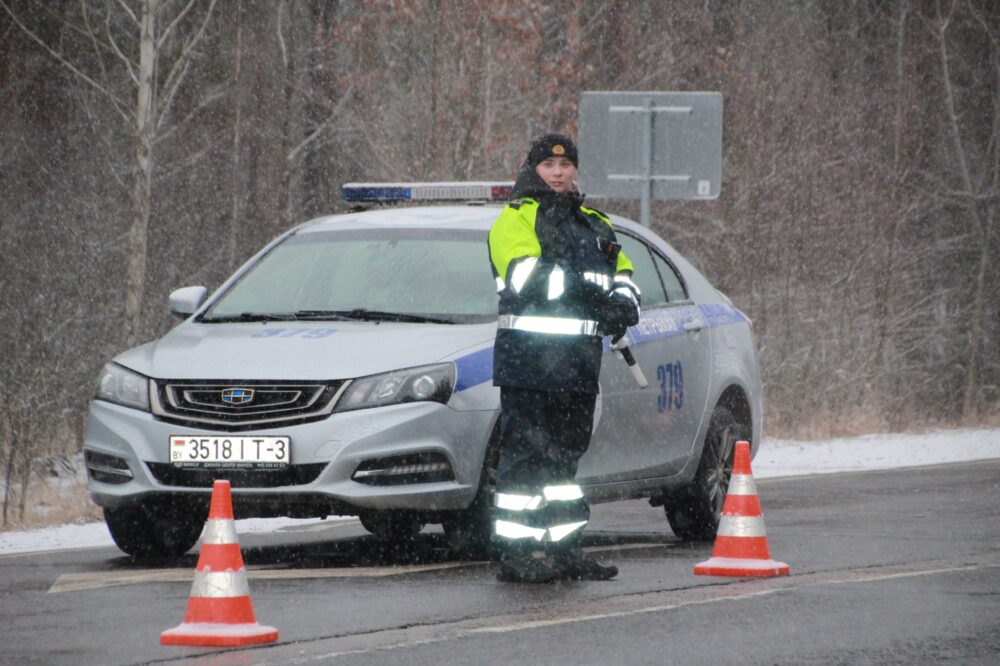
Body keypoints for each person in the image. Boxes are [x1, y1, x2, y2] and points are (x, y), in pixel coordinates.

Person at [487, 133, 641, 583]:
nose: (557, 172)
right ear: (533, 168)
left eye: (565, 165)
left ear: (574, 169)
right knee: (524, 462)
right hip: (529, 365)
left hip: (576, 366)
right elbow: (526, 280)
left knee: (563, 463)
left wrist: (623, 302)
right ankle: (516, 554)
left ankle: (564, 548)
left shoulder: (593, 222)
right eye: (548, 165)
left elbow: (624, 272)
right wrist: (589, 293)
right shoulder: (515, 219)